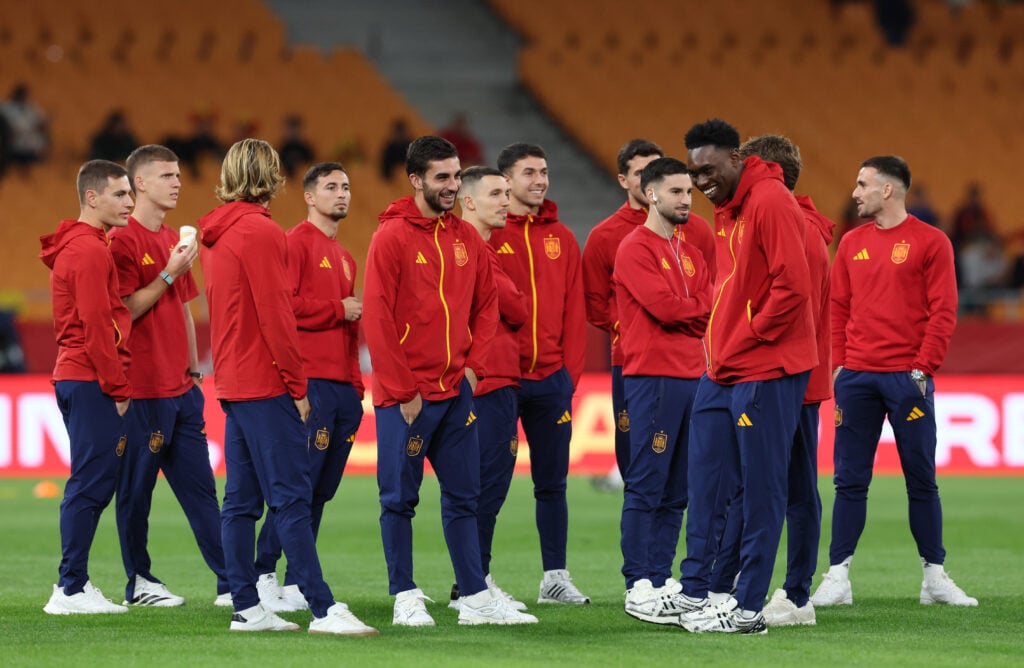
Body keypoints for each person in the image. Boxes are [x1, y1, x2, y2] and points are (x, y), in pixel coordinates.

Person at [199, 138, 377, 636]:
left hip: (233, 378)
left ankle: (247, 607)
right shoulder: (261, 232)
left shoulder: (214, 235)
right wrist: (297, 386)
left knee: (239, 501)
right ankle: (322, 607)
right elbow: (276, 315)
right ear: (271, 175)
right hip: (266, 379)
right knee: (292, 497)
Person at [362, 135, 535, 626]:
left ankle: (475, 597)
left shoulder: (464, 238)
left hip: (457, 390)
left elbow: (487, 306)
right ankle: (404, 595)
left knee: (465, 496)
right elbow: (377, 319)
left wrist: (474, 367)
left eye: (456, 176)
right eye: (442, 177)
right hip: (408, 397)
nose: (451, 186)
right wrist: (402, 390)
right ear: (416, 180)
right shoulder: (391, 237)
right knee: (399, 499)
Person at [810, 156, 977, 608]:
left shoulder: (932, 242)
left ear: (888, 190)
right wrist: (841, 365)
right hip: (858, 379)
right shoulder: (850, 243)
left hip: (908, 378)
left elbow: (944, 310)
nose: (855, 192)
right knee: (849, 480)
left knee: (921, 479)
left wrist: (923, 368)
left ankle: (934, 578)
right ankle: (838, 576)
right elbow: (837, 307)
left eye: (862, 184)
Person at [676, 119, 816, 635]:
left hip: (765, 366)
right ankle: (713, 591)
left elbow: (793, 285)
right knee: (711, 480)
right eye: (693, 173)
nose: (700, 181)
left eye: (708, 169)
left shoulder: (770, 201)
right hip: (723, 368)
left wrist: (748, 334)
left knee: (761, 489)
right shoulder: (730, 207)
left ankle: (748, 606)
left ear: (735, 157)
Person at [706, 134, 835, 627]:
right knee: (793, 486)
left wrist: (751, 335)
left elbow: (789, 297)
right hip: (804, 372)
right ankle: (791, 591)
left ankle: (771, 592)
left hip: (781, 371)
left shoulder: (780, 220)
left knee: (767, 487)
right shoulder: (804, 223)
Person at [108, 145, 230, 608]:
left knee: (203, 493)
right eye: (166, 175)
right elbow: (122, 312)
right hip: (141, 389)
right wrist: (168, 272)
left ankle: (232, 582)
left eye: (178, 174)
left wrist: (196, 372)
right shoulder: (122, 240)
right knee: (136, 492)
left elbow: (182, 309)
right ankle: (139, 581)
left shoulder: (169, 240)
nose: (177, 182)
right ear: (140, 183)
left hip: (181, 388)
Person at [252, 162, 365, 613]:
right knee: (295, 487)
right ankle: (263, 573)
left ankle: (298, 580)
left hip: (341, 388)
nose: (342, 194)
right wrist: (336, 308)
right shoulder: (293, 243)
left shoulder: (345, 255)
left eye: (347, 187)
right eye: (332, 187)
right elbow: (286, 308)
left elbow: (352, 327)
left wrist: (356, 385)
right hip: (310, 382)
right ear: (309, 197)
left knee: (321, 490)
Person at [583, 139, 717, 492]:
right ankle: (640, 540)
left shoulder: (697, 231)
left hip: (689, 361)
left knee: (681, 473)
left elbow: (712, 293)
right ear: (624, 180)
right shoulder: (605, 236)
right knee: (637, 464)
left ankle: (656, 541)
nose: (649, 180)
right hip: (631, 361)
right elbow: (596, 304)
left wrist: (684, 318)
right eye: (641, 173)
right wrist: (633, 327)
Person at [490, 142, 591, 605]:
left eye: (544, 172)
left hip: (551, 380)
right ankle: (473, 580)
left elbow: (574, 314)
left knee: (553, 483)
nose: (540, 180)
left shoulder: (563, 238)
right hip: (502, 380)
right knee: (488, 483)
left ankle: (555, 577)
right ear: (505, 181)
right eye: (529, 172)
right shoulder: (490, 234)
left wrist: (567, 376)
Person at [613, 158, 711, 625]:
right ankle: (637, 582)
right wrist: (693, 310)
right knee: (647, 481)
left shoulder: (689, 251)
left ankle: (659, 573)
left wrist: (692, 310)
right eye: (676, 191)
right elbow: (668, 310)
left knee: (679, 488)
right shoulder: (634, 248)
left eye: (689, 192)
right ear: (651, 194)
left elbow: (708, 306)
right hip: (652, 377)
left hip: (694, 375)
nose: (686, 200)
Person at [40, 160, 134, 615]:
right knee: (91, 481)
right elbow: (98, 325)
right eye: (120, 194)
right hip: (90, 376)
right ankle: (71, 587)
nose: (130, 202)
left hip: (78, 373)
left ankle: (73, 583)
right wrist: (117, 386)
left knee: (93, 479)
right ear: (92, 198)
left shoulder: (85, 246)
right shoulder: (91, 252)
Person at [447, 165, 530, 612]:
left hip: (497, 379)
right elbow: (516, 307)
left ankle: (476, 579)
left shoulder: (484, 250)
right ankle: (471, 586)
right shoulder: (470, 250)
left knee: (487, 488)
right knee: (481, 487)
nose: (506, 200)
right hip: (486, 381)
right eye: (497, 193)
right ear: (470, 201)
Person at [0, 82, 49, 176]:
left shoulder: (30, 108)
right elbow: (13, 128)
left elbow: (41, 122)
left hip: (29, 149)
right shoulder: (6, 108)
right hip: (11, 149)